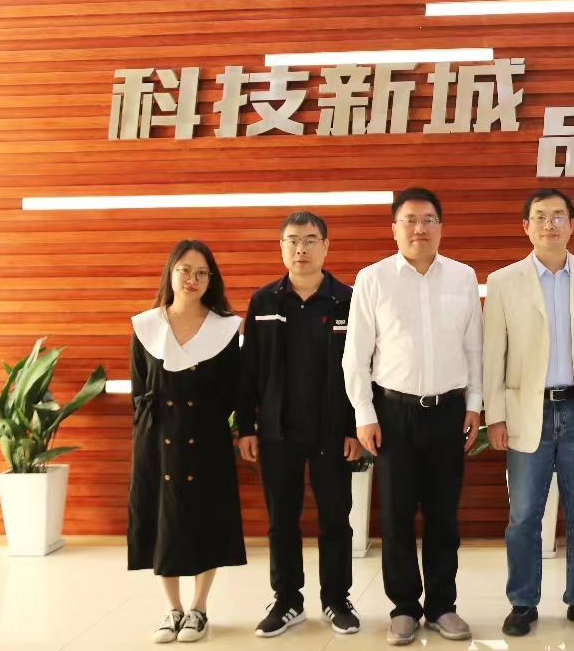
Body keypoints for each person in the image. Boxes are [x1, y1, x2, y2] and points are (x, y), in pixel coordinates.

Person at [343, 187, 483, 646]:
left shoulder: (463, 276)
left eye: (428, 220)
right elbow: (356, 355)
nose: (419, 228)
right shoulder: (373, 278)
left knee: (444, 517)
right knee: (397, 516)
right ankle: (404, 607)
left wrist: (475, 404)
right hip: (392, 413)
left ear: (440, 226)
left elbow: (474, 347)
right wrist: (364, 414)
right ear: (394, 228)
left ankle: (443, 606)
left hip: (448, 412)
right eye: (410, 220)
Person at [483, 189, 574, 637]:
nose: (549, 225)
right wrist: (495, 416)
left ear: (572, 224)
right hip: (527, 411)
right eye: (540, 217)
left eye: (558, 216)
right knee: (523, 516)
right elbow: (493, 353)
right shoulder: (503, 281)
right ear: (526, 226)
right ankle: (522, 602)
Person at [237, 211, 362, 638]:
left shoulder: (348, 300)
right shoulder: (264, 302)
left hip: (333, 431)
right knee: (281, 520)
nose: (301, 249)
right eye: (292, 241)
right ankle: (287, 599)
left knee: (336, 519)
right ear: (282, 248)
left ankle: (337, 599)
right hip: (277, 431)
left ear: (326, 246)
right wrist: (246, 427)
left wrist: (355, 427)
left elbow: (363, 369)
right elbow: (249, 370)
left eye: (310, 240)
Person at [128, 239, 246, 644]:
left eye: (201, 273)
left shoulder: (224, 328)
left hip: (207, 438)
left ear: (210, 280)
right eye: (184, 270)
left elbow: (233, 391)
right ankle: (171, 608)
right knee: (162, 520)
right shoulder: (146, 326)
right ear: (171, 273)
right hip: (157, 440)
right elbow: (139, 390)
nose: (191, 279)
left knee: (205, 518)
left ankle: (199, 607)